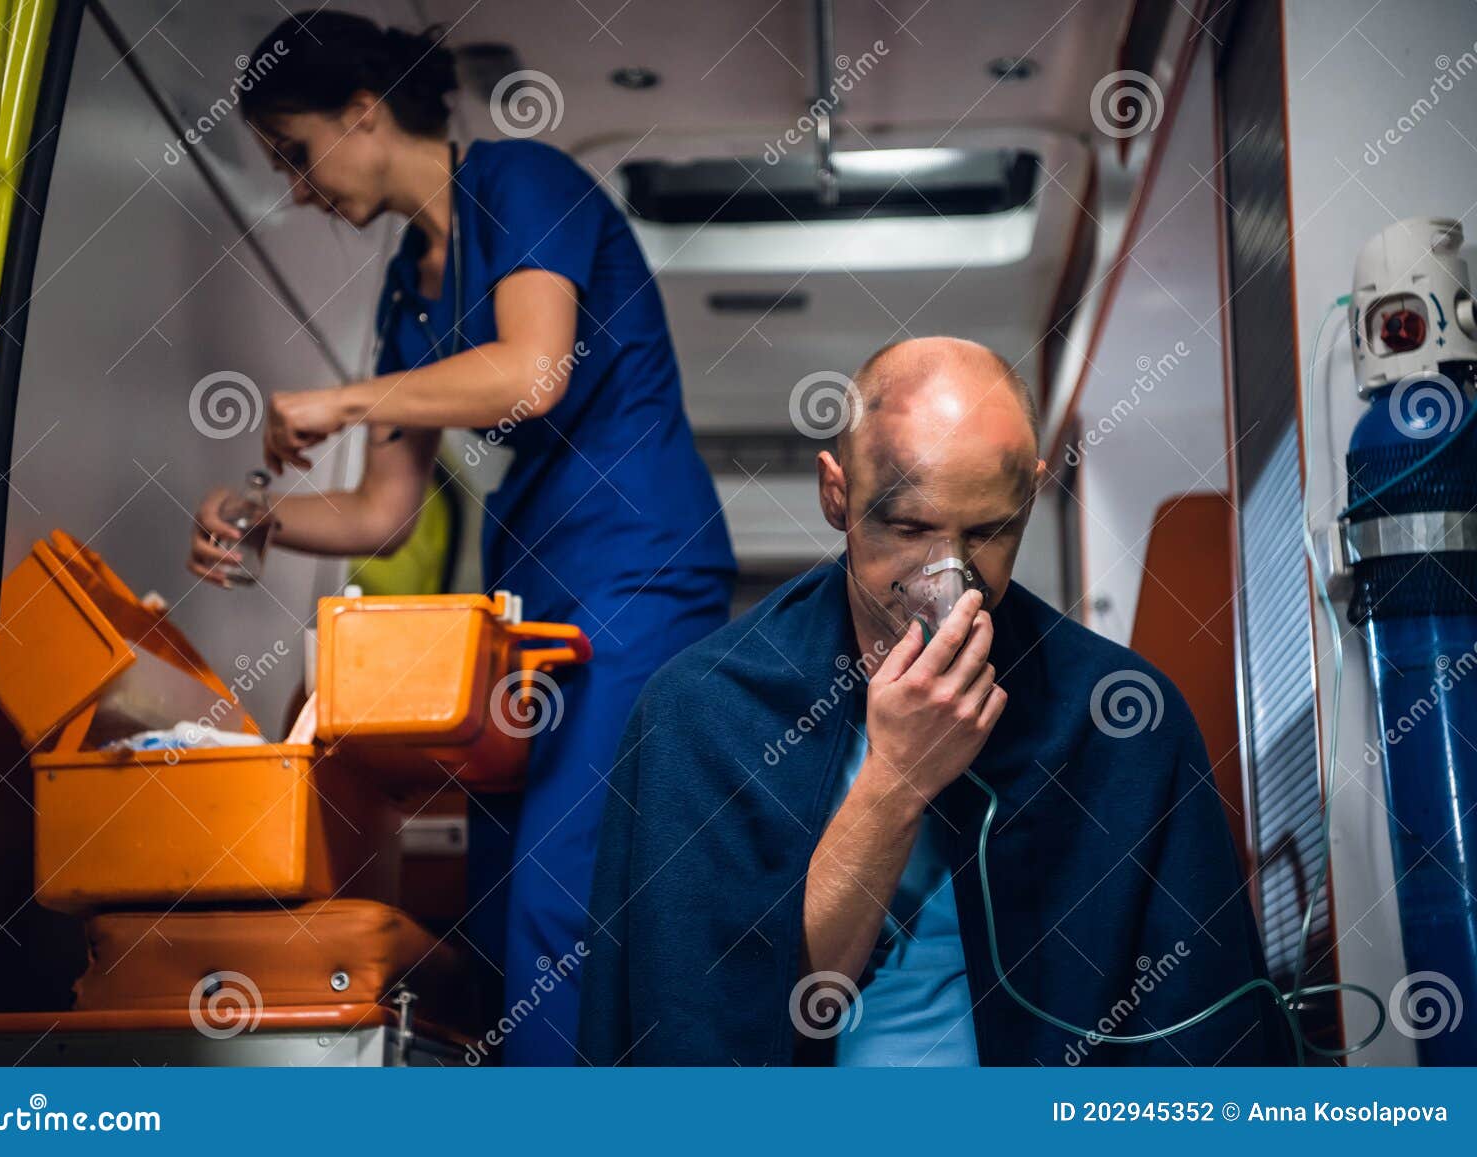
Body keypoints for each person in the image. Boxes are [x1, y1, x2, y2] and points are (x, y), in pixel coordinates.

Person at [186, 11, 736, 1065]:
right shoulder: (407, 287)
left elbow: (533, 373)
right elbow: (380, 510)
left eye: (296, 154)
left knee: (553, 896)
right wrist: (260, 520)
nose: (297, 188)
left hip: (637, 563)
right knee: (490, 907)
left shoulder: (520, 181)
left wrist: (343, 400)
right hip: (532, 584)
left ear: (363, 112)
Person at [580, 337, 1292, 1065]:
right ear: (836, 494)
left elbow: (1202, 1036)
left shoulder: (1119, 718)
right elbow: (728, 1027)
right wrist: (896, 780)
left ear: (1032, 494)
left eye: (986, 532)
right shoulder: (705, 709)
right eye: (910, 528)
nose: (947, 579)